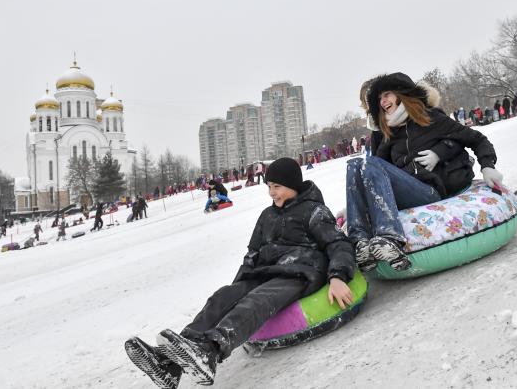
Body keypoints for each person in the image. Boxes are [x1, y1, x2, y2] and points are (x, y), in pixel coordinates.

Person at [125, 157, 355, 388]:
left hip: (299, 272)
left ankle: (209, 353)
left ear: (293, 185)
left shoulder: (314, 211)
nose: (272, 193)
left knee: (256, 301)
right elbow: (253, 252)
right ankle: (169, 363)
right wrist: (237, 287)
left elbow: (338, 244)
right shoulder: (267, 215)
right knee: (221, 297)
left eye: (277, 187)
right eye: (269, 187)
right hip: (264, 272)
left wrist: (337, 276)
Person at [348, 72, 503, 272]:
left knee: (371, 163)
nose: (382, 101)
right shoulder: (389, 133)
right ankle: (359, 242)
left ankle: (390, 237)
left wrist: (487, 166)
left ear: (401, 94)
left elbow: (477, 139)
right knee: (355, 165)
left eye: (386, 94)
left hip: (430, 189)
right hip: (408, 189)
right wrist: (357, 200)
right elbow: (374, 171)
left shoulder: (430, 118)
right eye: (379, 98)